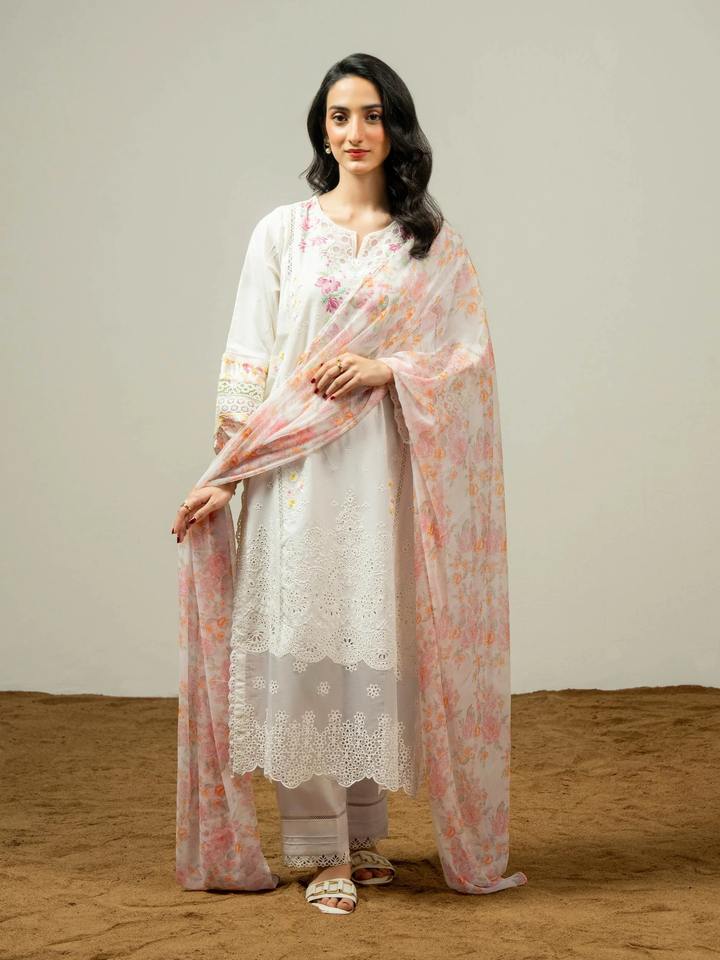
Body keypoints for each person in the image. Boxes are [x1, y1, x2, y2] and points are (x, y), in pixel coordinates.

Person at [172, 52, 527, 916]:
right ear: (321, 130)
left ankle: (364, 837)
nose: (355, 132)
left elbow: (467, 361)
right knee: (303, 650)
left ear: (395, 128)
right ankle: (320, 851)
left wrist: (386, 368)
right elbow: (249, 359)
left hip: (384, 476)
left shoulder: (429, 244)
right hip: (295, 477)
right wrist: (225, 475)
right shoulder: (283, 234)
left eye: (371, 115)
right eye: (339, 116)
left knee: (374, 647)